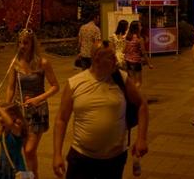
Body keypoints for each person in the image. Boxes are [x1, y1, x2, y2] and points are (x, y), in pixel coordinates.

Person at [53, 41, 149, 179]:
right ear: (97, 59)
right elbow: (61, 119)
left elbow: (142, 104)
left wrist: (141, 138)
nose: (116, 60)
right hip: (82, 158)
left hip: (114, 160)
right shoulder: (75, 83)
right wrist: (57, 154)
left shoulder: (121, 78)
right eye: (111, 57)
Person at [5, 28, 59, 179]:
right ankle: (33, 176)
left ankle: (32, 176)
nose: (22, 46)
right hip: (19, 111)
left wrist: (38, 99)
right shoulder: (15, 63)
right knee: (26, 151)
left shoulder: (43, 63)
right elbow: (10, 87)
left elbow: (55, 86)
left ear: (32, 43)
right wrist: (6, 109)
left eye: (26, 43)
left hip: (37, 111)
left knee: (29, 150)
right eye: (20, 43)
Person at [0, 100, 30, 179]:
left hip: (15, 165)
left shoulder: (16, 129)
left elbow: (10, 123)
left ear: (15, 116)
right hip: (3, 163)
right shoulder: (1, 130)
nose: (1, 118)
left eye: (3, 115)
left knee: (24, 176)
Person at [124, 20, 154, 89]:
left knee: (131, 80)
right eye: (140, 26)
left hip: (128, 61)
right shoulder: (139, 39)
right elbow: (143, 52)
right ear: (136, 28)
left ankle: (131, 95)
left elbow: (124, 50)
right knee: (138, 82)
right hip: (136, 61)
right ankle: (134, 95)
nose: (141, 27)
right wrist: (149, 63)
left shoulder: (128, 37)